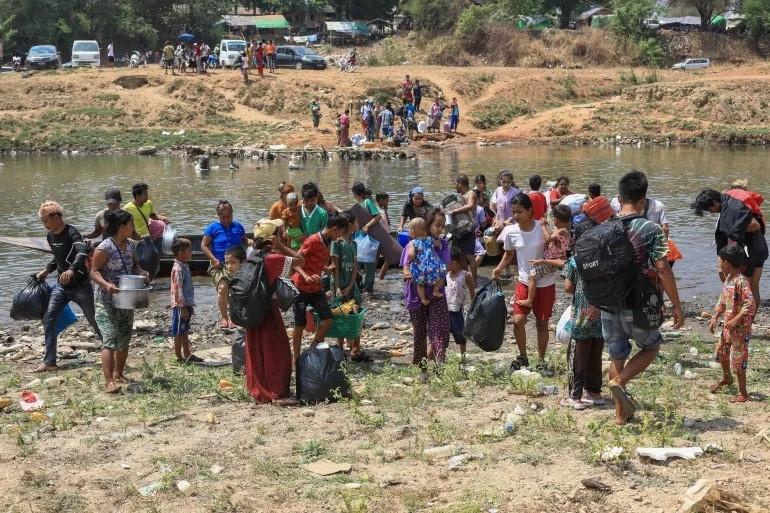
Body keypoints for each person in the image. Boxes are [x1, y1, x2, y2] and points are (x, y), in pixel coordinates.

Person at [604, 170, 684, 425]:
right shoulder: (651, 229)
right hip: (637, 303)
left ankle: (620, 416)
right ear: (643, 200)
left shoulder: (606, 226)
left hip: (607, 302)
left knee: (617, 355)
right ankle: (620, 381)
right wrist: (676, 306)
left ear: (619, 197)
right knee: (651, 346)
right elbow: (663, 268)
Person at [33, 202, 102, 373]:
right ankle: (50, 362)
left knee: (93, 319)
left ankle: (111, 349)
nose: (45, 225)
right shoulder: (51, 236)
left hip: (81, 286)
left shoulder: (72, 233)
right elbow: (58, 258)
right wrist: (47, 270)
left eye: (46, 221)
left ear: (56, 218)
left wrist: (71, 270)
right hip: (61, 287)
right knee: (48, 319)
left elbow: (81, 253)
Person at [246, 219, 309, 405]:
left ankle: (259, 390)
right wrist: (282, 246)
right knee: (277, 351)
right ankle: (275, 393)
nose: (282, 232)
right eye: (279, 231)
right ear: (272, 238)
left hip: (253, 311)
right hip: (268, 311)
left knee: (257, 350)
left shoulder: (252, 257)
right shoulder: (272, 259)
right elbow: (301, 260)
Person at [493, 193, 556, 374]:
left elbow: (554, 248)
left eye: (519, 212)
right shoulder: (511, 231)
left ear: (530, 211)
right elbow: (509, 254)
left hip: (545, 282)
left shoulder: (541, 228)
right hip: (523, 281)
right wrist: (499, 268)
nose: (516, 216)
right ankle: (523, 356)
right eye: (513, 212)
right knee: (518, 321)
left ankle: (542, 360)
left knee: (542, 323)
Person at [90, 210, 150, 394]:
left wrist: (142, 273)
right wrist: (107, 285)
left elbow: (134, 266)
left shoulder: (131, 246)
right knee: (109, 339)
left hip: (125, 299)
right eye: (131, 225)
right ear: (122, 227)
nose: (133, 228)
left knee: (124, 337)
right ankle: (109, 382)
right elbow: (93, 271)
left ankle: (119, 373)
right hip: (106, 299)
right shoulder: (105, 247)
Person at [291, 213, 350, 362]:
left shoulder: (328, 242)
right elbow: (296, 261)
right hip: (301, 287)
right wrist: (306, 276)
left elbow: (313, 260)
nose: (340, 237)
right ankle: (296, 358)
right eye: (341, 233)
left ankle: (311, 351)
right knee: (300, 324)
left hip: (316, 287)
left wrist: (325, 269)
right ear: (335, 229)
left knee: (328, 319)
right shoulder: (312, 240)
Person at [401, 208, 452, 382]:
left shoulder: (442, 244)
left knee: (441, 332)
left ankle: (440, 367)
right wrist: (424, 276)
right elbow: (406, 271)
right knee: (420, 334)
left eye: (442, 226)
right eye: (437, 225)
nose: (440, 230)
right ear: (427, 225)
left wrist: (423, 275)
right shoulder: (412, 244)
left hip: (436, 295)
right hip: (416, 295)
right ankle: (422, 370)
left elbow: (447, 266)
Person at [692, 188, 766, 306]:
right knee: (752, 287)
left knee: (741, 288)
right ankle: (748, 323)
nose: (711, 212)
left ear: (715, 202)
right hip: (759, 248)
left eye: (709, 209)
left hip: (748, 252)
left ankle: (740, 321)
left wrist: (734, 230)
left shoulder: (734, 208)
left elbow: (755, 225)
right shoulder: (729, 202)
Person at [560, 221, 606, 410]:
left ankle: (575, 396)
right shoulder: (604, 258)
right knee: (596, 354)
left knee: (577, 355)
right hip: (602, 314)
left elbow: (568, 287)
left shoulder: (575, 260)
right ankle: (595, 393)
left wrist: (580, 293)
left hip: (581, 315)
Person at [708, 244, 755, 403]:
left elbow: (750, 304)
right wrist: (715, 316)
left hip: (740, 329)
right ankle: (726, 378)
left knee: (738, 359)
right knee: (722, 353)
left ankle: (743, 393)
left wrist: (736, 319)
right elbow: (723, 300)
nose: (718, 263)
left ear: (726, 263)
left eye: (719, 260)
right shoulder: (728, 279)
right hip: (727, 327)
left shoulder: (741, 282)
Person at [201, 200, 250, 331]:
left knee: (237, 290)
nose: (226, 220)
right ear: (218, 216)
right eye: (223, 218)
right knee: (223, 288)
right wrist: (214, 259)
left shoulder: (238, 226)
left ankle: (235, 317)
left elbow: (244, 240)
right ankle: (224, 318)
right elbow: (204, 245)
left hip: (238, 263)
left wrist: (250, 243)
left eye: (229, 217)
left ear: (232, 214)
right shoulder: (212, 228)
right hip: (219, 264)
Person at [331, 211, 370, 362]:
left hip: (351, 285)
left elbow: (355, 267)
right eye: (357, 222)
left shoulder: (353, 243)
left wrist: (351, 284)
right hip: (339, 285)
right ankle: (340, 348)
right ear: (349, 225)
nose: (359, 224)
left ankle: (355, 347)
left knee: (357, 311)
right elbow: (335, 268)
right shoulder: (337, 243)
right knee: (341, 315)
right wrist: (338, 287)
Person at [517, 204, 571, 309]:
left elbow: (548, 239)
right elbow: (552, 234)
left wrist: (542, 226)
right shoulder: (563, 230)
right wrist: (546, 226)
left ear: (556, 220)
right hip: (552, 259)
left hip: (551, 261)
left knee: (532, 276)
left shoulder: (561, 231)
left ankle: (529, 300)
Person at [170, 238, 203, 364]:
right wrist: (183, 308)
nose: (191, 253)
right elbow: (177, 289)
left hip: (186, 303)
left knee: (184, 329)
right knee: (179, 331)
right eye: (189, 250)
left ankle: (187, 354)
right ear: (181, 253)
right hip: (180, 305)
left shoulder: (184, 266)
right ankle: (179, 357)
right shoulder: (178, 269)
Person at [352, 182, 382, 299]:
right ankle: (358, 287)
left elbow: (378, 216)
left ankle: (369, 289)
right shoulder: (358, 204)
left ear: (355, 193)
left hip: (369, 238)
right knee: (357, 263)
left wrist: (368, 226)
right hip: (359, 238)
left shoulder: (367, 202)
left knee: (369, 264)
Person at [407, 218, 447, 306]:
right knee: (442, 274)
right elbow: (438, 244)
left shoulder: (413, 242)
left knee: (420, 284)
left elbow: (411, 255)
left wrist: (410, 259)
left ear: (413, 232)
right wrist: (440, 240)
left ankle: (423, 299)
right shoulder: (430, 239)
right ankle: (436, 290)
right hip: (432, 265)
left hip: (420, 267)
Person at [447, 174, 479, 284]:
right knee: (461, 256)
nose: (455, 185)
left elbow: (470, 206)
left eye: (456, 183)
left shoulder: (471, 194)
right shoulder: (460, 195)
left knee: (470, 256)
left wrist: (454, 211)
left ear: (460, 183)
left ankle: (474, 280)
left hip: (468, 228)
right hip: (459, 229)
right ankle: (467, 279)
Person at [446, 247, 475, 363]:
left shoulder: (466, 275)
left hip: (457, 309)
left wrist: (474, 307)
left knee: (460, 335)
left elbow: (472, 292)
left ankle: (463, 357)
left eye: (447, 262)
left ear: (453, 263)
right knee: (444, 335)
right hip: (445, 309)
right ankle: (442, 356)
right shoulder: (446, 275)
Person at [124, 183, 169, 252]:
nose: (147, 196)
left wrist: (162, 218)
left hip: (147, 239)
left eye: (147, 194)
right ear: (137, 196)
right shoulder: (127, 209)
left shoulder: (148, 203)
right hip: (135, 241)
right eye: (145, 194)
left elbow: (153, 216)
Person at [376, 192, 392, 279]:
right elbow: (388, 224)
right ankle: (381, 278)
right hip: (383, 237)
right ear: (382, 200)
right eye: (387, 201)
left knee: (376, 258)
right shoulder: (381, 211)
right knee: (388, 258)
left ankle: (372, 278)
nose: (387, 203)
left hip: (378, 237)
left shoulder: (377, 210)